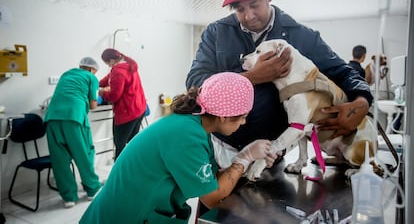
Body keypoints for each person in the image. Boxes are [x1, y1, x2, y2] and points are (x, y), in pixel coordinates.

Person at [186, 0, 373, 154]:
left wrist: (361, 103)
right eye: (239, 9)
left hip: (271, 151)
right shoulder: (216, 33)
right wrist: (252, 76)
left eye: (254, 4)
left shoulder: (302, 37)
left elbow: (344, 73)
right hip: (222, 148)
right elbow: (194, 83)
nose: (249, 15)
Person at [80, 72, 276, 223]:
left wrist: (250, 160)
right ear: (224, 116)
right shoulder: (186, 136)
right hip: (123, 216)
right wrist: (245, 156)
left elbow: (211, 179)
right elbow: (212, 197)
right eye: (242, 116)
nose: (243, 122)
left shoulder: (193, 127)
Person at [44, 57, 102, 208]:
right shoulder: (91, 78)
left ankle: (69, 197)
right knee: (84, 154)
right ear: (91, 69)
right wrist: (97, 97)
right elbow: (93, 105)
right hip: (74, 117)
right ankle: (92, 189)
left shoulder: (67, 74)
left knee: (60, 160)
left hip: (52, 118)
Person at [99, 48, 147, 160]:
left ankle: (119, 173)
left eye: (107, 63)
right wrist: (95, 83)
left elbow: (114, 96)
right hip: (138, 109)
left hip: (127, 112)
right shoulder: (128, 65)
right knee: (132, 144)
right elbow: (108, 79)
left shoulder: (118, 71)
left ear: (111, 61)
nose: (108, 66)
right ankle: (133, 170)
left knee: (119, 145)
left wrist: (102, 92)